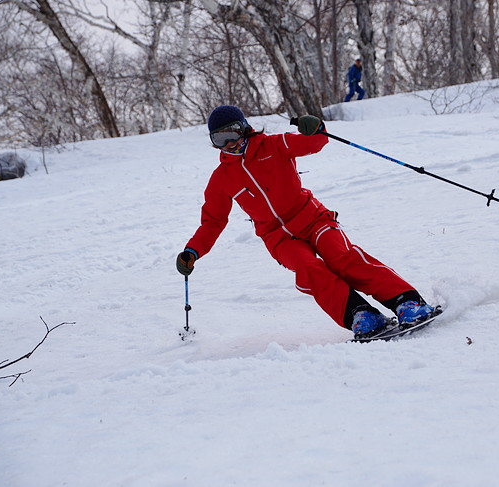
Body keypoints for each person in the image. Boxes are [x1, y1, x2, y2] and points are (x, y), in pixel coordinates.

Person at [176, 105, 437, 340]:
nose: (229, 143)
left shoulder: (275, 145)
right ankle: (362, 315)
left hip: (312, 218)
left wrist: (316, 128)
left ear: (244, 128)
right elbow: (213, 222)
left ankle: (407, 302)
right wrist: (192, 251)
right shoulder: (221, 179)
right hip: (278, 238)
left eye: (232, 134)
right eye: (220, 139)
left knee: (341, 256)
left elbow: (315, 143)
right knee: (309, 268)